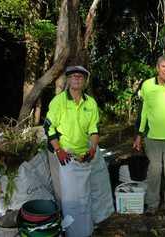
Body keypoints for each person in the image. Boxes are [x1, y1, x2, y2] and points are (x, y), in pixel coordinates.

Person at [43, 65, 113, 237]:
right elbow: (49, 126)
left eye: (80, 77)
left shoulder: (90, 103)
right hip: (62, 153)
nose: (77, 79)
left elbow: (94, 129)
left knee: (84, 194)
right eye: (73, 76)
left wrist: (93, 148)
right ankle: (69, 229)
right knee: (67, 197)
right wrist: (58, 150)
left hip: (82, 155)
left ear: (85, 81)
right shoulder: (59, 101)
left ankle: (85, 228)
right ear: (68, 80)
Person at [133, 55, 165, 221]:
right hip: (152, 137)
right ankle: (152, 205)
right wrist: (139, 135)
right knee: (154, 172)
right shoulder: (147, 85)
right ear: (157, 68)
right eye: (163, 66)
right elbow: (142, 111)